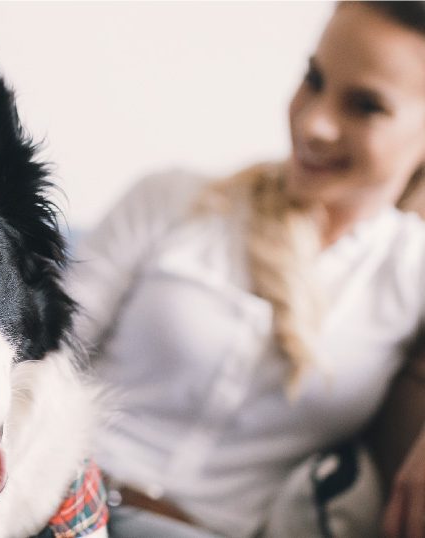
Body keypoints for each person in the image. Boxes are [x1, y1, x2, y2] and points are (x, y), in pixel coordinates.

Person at [68, 2, 425, 537]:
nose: (315, 122)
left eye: (365, 105)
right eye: (314, 79)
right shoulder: (171, 200)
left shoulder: (408, 272)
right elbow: (37, 349)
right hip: (58, 495)